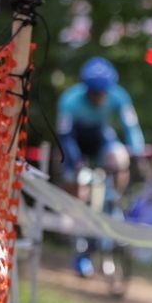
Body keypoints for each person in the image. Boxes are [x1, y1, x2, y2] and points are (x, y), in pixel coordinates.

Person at [56, 57, 147, 277]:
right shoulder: (70, 100)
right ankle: (77, 231)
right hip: (76, 141)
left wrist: (136, 153)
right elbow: (65, 136)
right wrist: (76, 162)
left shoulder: (119, 96)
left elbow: (131, 128)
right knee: (76, 182)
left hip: (100, 138)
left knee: (119, 157)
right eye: (94, 94)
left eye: (102, 93)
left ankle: (113, 199)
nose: (99, 98)